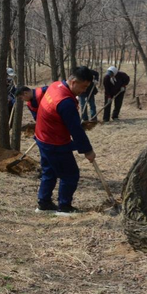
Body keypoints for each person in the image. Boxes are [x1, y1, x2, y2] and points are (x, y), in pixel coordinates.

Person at [34, 67, 96, 215]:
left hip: (42, 137)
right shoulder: (65, 102)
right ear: (73, 82)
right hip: (54, 142)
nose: (84, 91)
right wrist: (88, 150)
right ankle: (64, 207)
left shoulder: (55, 85)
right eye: (84, 87)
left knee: (49, 171)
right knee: (70, 174)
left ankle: (44, 204)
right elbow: (76, 130)